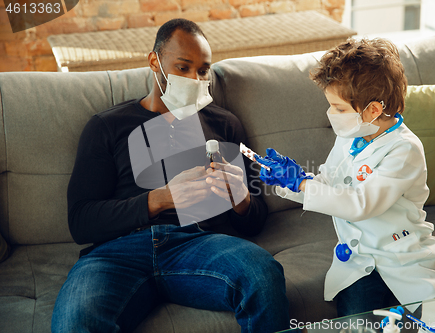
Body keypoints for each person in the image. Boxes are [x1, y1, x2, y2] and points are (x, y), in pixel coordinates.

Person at [51, 18, 289, 333]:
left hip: (195, 245)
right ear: (155, 62)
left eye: (203, 70)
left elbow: (255, 221)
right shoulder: (107, 126)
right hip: (115, 255)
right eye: (182, 68)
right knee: (76, 322)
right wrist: (160, 198)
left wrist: (241, 199)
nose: (194, 78)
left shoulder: (223, 125)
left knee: (262, 274)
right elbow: (81, 222)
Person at [255, 38, 435, 317]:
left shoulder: (404, 149)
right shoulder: (350, 137)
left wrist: (301, 184)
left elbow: (361, 204)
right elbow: (327, 184)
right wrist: (291, 182)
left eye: (339, 108)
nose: (330, 114)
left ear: (372, 110)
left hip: (404, 259)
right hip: (359, 262)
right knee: (355, 321)